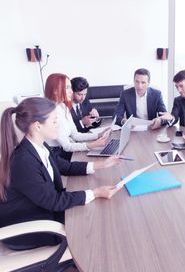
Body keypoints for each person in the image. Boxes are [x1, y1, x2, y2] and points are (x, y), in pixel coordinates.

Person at [0, 97, 121, 250]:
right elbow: (53, 201)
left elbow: (64, 166)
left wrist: (101, 164)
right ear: (38, 126)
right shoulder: (23, 161)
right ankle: (86, 267)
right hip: (27, 226)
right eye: (55, 121)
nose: (59, 125)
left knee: (93, 209)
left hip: (41, 209)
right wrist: (95, 193)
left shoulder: (39, 146)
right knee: (92, 221)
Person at [44, 73, 109, 160]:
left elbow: (75, 135)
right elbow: (66, 146)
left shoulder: (63, 107)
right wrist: (91, 145)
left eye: (70, 87)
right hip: (58, 155)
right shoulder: (52, 112)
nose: (71, 92)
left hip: (68, 149)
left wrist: (98, 135)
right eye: (67, 88)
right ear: (56, 91)